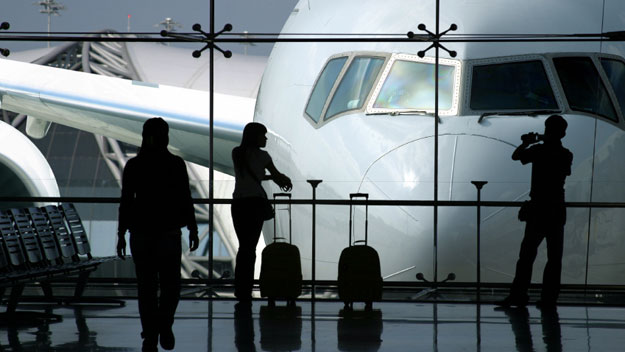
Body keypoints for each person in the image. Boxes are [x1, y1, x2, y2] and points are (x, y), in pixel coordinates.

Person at [117, 117, 199, 352]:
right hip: (169, 232)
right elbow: (185, 197)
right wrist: (192, 228)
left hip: (141, 233)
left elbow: (126, 202)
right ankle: (165, 324)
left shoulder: (134, 165)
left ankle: (150, 334)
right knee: (171, 285)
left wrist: (121, 233)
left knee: (146, 287)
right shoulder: (175, 164)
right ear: (166, 136)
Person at [498, 115, 573, 308]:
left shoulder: (538, 151)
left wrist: (527, 142)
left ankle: (518, 294)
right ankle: (549, 298)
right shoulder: (566, 154)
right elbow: (564, 171)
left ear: (547, 130)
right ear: (563, 133)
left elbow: (516, 156)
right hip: (556, 209)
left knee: (526, 256)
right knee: (554, 258)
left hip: (538, 208)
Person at [231, 122, 292, 304]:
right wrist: (280, 178)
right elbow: (277, 175)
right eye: (263, 135)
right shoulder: (264, 156)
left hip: (239, 203)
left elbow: (248, 173)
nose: (265, 138)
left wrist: (263, 176)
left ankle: (240, 288)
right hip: (255, 204)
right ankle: (246, 287)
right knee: (251, 247)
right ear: (255, 136)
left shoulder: (237, 153)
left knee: (243, 247)